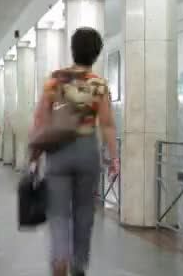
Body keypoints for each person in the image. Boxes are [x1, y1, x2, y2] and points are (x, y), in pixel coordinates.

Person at [29, 27, 118, 276]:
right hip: (88, 150)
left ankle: (59, 259)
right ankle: (79, 264)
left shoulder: (55, 80)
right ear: (96, 54)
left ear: (73, 49)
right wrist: (114, 158)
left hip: (58, 150)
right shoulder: (98, 84)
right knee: (84, 212)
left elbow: (39, 119)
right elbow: (108, 124)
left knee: (58, 212)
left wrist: (34, 153)